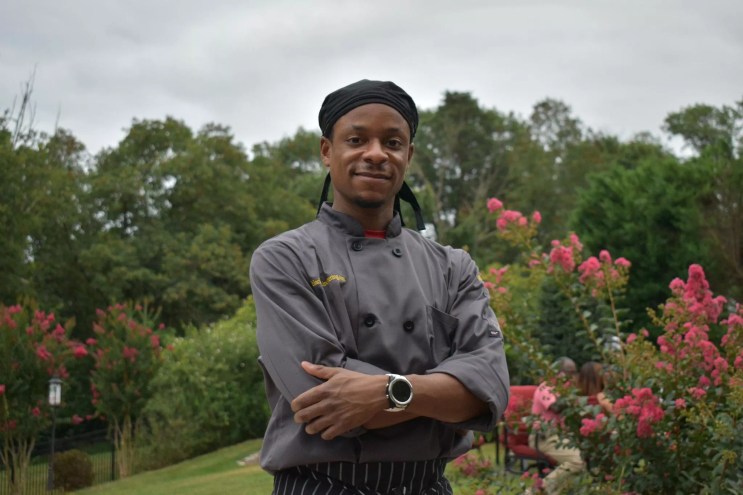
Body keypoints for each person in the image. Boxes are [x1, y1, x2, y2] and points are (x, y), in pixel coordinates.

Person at [249, 79, 510, 495]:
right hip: (322, 486)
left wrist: (387, 393)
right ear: (326, 151)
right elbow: (322, 399)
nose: (375, 154)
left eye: (392, 142)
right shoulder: (285, 259)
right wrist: (443, 394)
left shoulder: (453, 267)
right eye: (356, 140)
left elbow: (489, 387)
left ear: (409, 155)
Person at [528, 357, 583, 495]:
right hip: (544, 437)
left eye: (574, 372)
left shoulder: (566, 389)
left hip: (562, 436)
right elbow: (556, 406)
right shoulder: (545, 388)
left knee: (584, 459)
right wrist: (573, 399)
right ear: (558, 372)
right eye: (570, 372)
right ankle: (535, 492)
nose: (573, 376)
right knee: (578, 462)